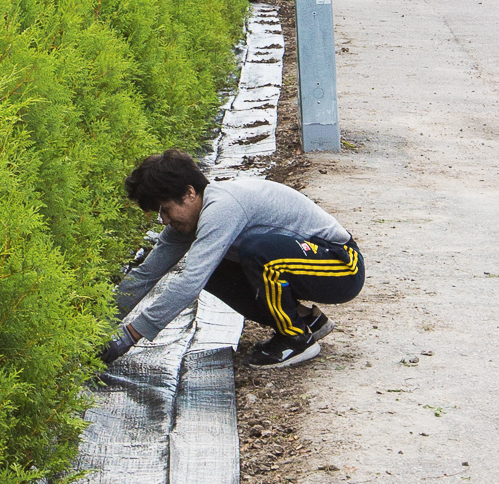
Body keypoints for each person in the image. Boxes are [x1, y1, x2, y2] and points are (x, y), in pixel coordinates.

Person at [101, 148, 365, 368]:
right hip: (305, 264)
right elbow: (146, 274)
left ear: (189, 193)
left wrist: (129, 336)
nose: (165, 220)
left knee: (256, 251)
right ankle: (307, 320)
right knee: (212, 269)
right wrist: (99, 326)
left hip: (340, 266)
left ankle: (296, 339)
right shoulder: (187, 222)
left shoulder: (222, 207)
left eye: (166, 210)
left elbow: (189, 283)